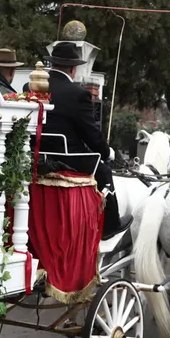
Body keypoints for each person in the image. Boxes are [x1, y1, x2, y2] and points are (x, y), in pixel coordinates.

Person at [41, 41, 122, 239]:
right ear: (72, 68)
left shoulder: (33, 85)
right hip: (69, 157)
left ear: (53, 64)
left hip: (39, 154)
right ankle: (110, 227)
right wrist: (107, 152)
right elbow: (91, 134)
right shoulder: (77, 94)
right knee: (104, 172)